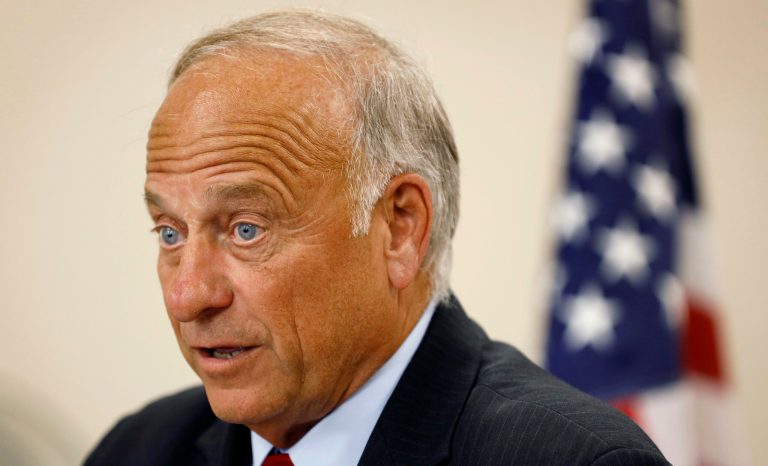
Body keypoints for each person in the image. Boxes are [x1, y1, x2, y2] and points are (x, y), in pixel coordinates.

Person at [85, 10, 670, 466]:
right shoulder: (138, 451)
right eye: (169, 232)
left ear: (400, 229)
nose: (188, 297)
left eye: (246, 229)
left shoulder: (574, 461)